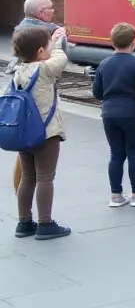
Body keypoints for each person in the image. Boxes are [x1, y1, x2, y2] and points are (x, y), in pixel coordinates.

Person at [9, 24, 71, 240]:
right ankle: (45, 223)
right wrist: (57, 41)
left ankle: (24, 222)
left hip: (24, 134)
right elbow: (61, 58)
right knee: (46, 177)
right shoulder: (44, 69)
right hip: (46, 132)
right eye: (47, 47)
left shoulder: (17, 71)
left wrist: (48, 42)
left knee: (28, 177)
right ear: (41, 52)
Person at [90, 22, 135, 208]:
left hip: (109, 114)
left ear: (112, 42)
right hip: (132, 113)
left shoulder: (104, 64)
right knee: (134, 153)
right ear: (134, 42)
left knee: (116, 154)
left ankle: (116, 196)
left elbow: (97, 92)